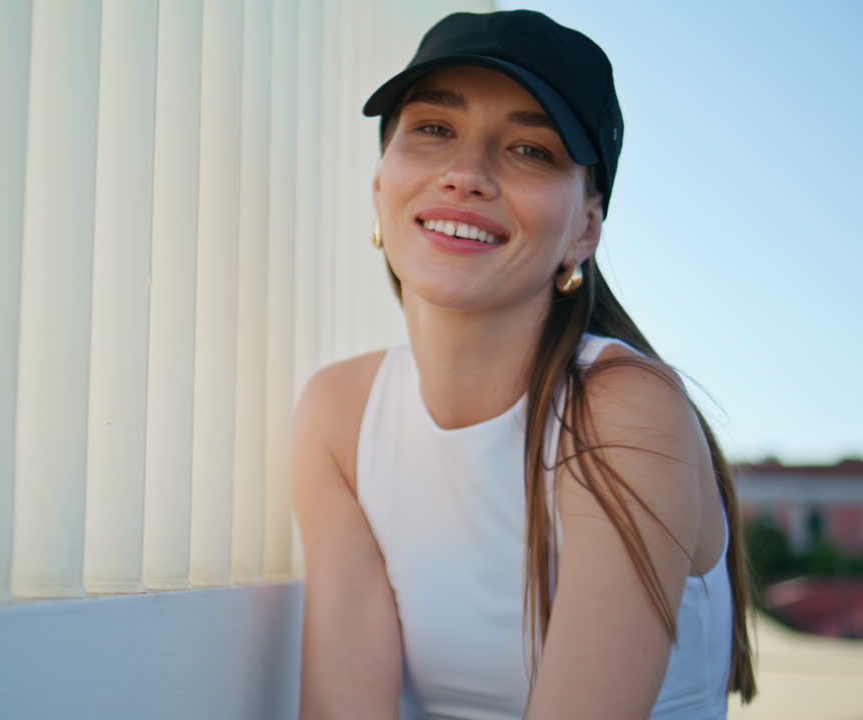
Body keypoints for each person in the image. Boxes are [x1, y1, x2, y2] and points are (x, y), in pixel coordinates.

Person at [293, 10, 757, 720]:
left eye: (530, 150)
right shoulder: (338, 413)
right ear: (381, 182)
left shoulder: (625, 408)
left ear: (585, 228)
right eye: (434, 130)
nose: (465, 174)